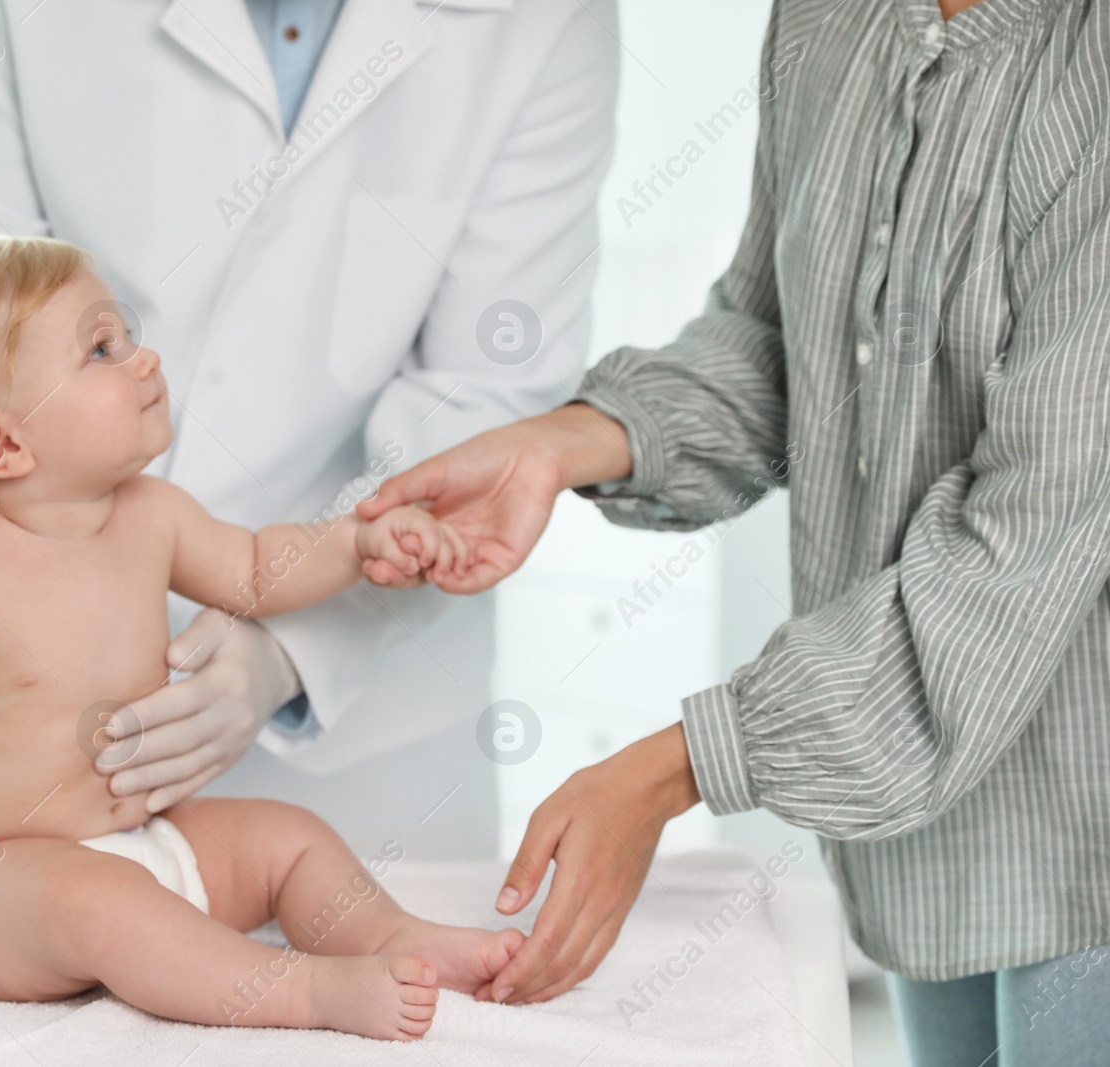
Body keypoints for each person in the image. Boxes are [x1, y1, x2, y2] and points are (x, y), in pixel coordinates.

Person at [361, 0, 1110, 1060]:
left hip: (1086, 831)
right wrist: (571, 440)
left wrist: (678, 766)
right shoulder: (826, 18)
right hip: (921, 848)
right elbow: (777, 338)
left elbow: (1020, 541)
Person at [0, 236, 524, 1041]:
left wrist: (359, 544)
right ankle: (301, 990)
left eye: (127, 335)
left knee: (286, 835)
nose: (144, 360)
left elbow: (259, 564)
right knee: (96, 899)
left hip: (146, 844)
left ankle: (389, 934)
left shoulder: (151, 515)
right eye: (100, 349)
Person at [0, 0, 619, 862]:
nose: (141, 362)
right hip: (17, 750)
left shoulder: (542, 20)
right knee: (48, 952)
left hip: (369, 750)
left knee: (371, 957)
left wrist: (285, 654)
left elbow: (487, 398)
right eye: (103, 345)